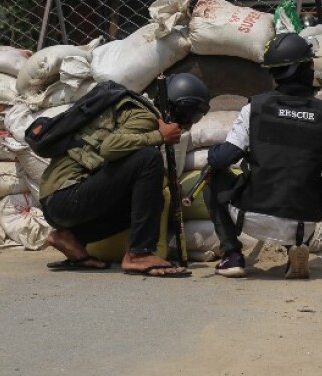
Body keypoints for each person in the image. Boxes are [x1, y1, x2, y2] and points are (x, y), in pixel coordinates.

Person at [204, 33, 322, 279]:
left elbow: (224, 159)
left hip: (250, 217)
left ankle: (232, 255)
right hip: (303, 223)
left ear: (274, 74)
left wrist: (213, 154)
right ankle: (293, 248)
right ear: (307, 68)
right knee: (297, 181)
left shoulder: (255, 108)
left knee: (211, 174)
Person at [39, 73, 210, 277]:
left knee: (151, 197)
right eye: (192, 116)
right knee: (150, 158)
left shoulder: (136, 113)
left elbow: (123, 167)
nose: (190, 124)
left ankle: (71, 238)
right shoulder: (145, 116)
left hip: (61, 201)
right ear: (179, 108)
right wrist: (159, 136)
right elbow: (110, 148)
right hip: (65, 197)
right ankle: (139, 254)